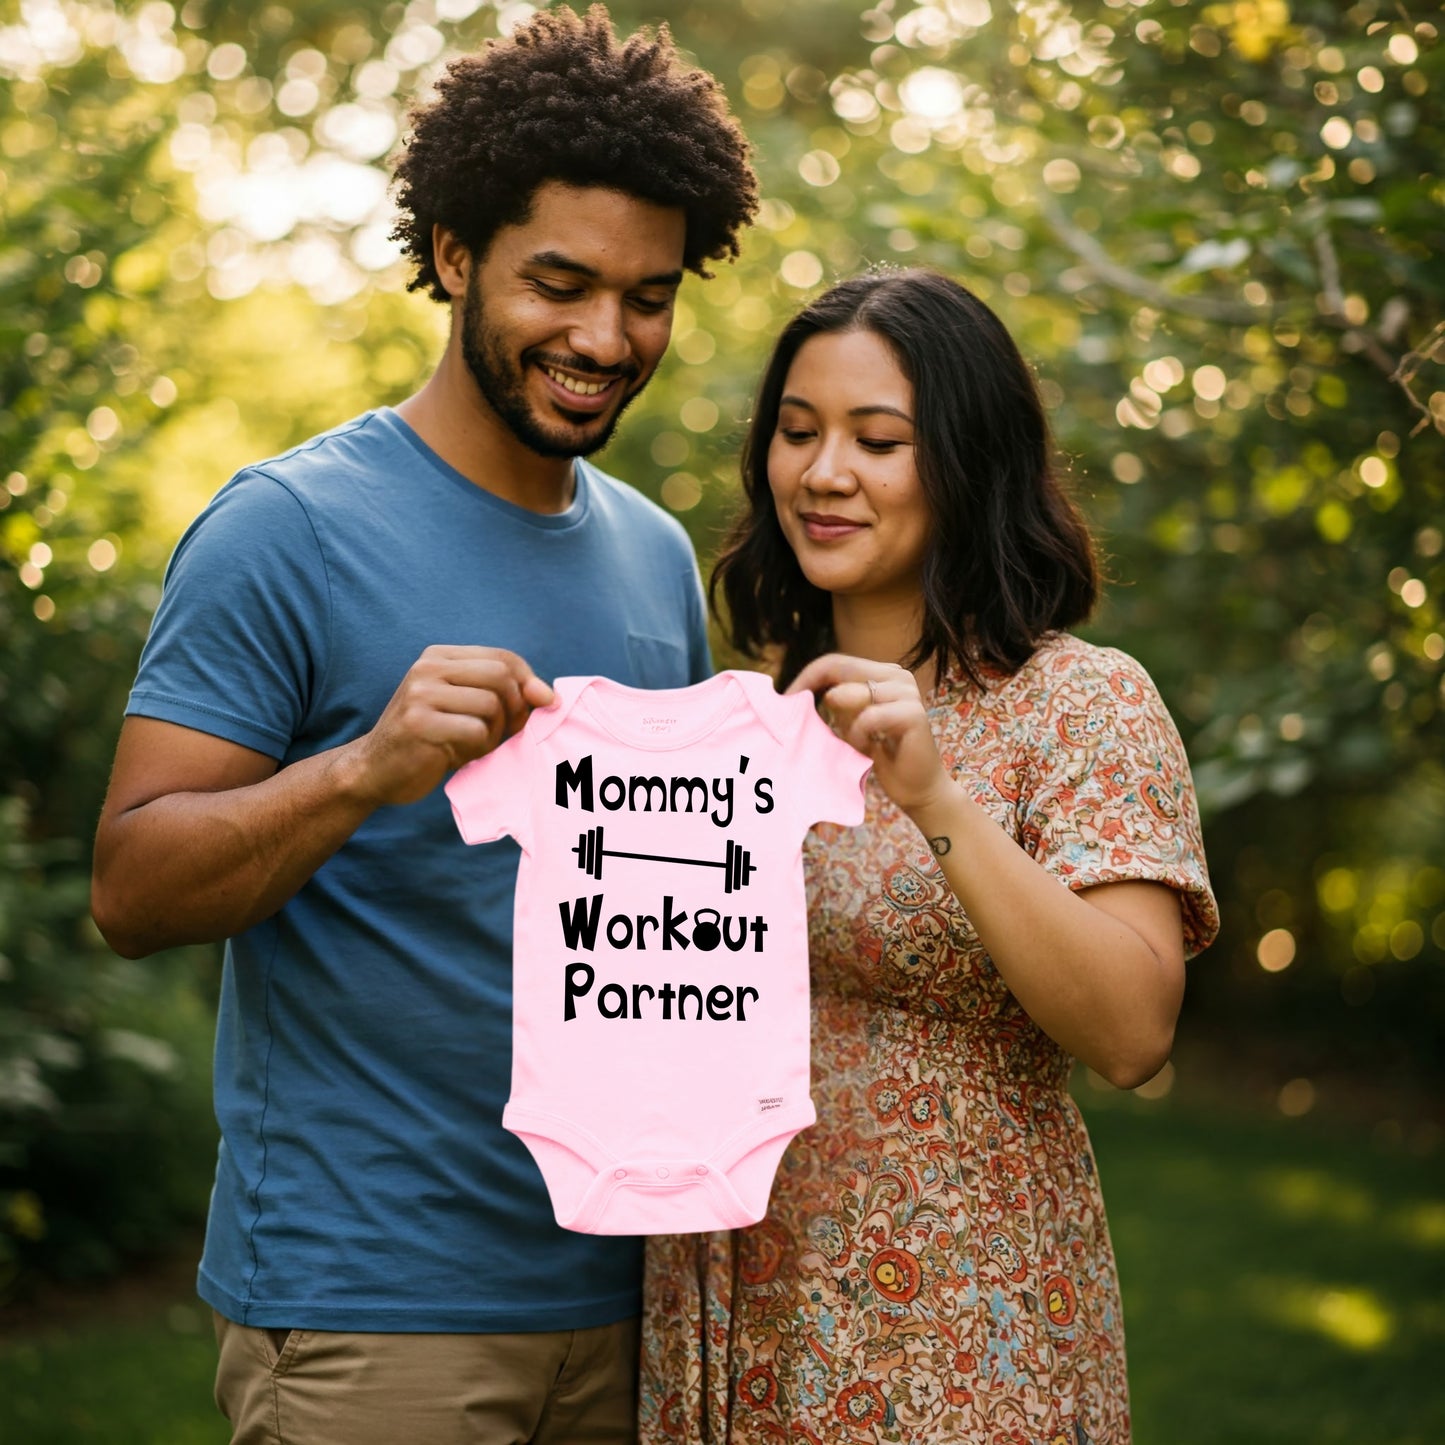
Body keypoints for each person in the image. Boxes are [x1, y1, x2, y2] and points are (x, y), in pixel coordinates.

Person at [89, 7, 755, 1441]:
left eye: (647, 296)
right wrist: (365, 769)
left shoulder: (650, 555)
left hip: (626, 1294)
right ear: (454, 255)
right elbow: (132, 888)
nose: (602, 338)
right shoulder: (286, 530)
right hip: (368, 1306)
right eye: (559, 284)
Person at [639, 269, 1219, 1444]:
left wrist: (932, 794)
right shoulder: (737, 721)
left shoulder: (1080, 704)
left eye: (877, 439)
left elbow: (1129, 1029)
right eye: (795, 433)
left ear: (967, 460)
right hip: (728, 1305)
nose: (822, 472)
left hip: (959, 1325)